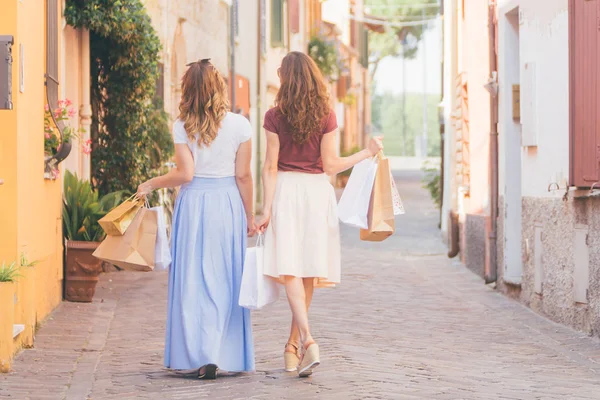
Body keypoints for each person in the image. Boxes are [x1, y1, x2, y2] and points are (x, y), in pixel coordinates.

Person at [258, 51, 383, 377]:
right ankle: (303, 342)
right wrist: (365, 153)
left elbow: (269, 166)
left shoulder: (274, 116)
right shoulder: (326, 115)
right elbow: (331, 166)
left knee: (292, 269)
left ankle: (296, 345)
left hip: (286, 191)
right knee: (307, 269)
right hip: (317, 193)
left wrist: (266, 207)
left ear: (286, 78)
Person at [137, 58, 256, 380]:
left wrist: (150, 183)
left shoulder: (181, 126)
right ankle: (222, 351)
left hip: (194, 207)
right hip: (228, 203)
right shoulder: (240, 125)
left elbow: (185, 174)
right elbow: (244, 175)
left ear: (188, 91)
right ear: (219, 88)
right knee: (226, 279)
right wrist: (250, 216)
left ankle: (199, 354)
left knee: (192, 279)